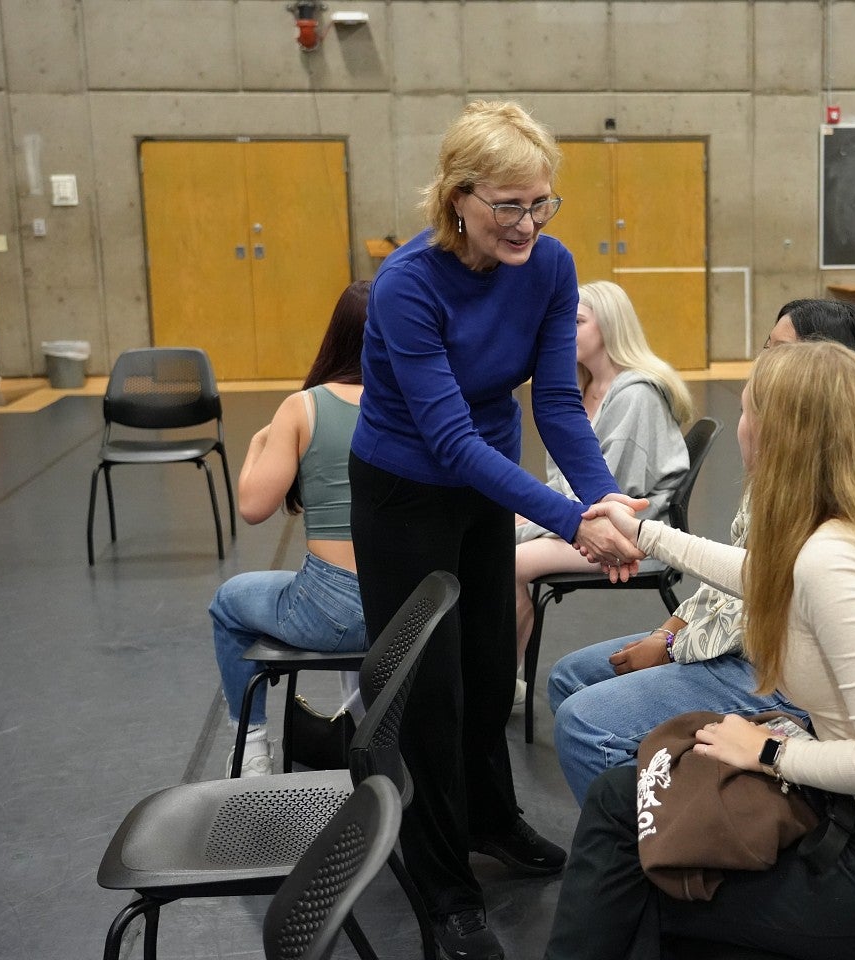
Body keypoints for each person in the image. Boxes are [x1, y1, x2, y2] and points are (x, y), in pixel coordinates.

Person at [546, 340, 855, 960]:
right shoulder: (852, 524)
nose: (740, 425)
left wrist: (769, 751)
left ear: (778, 438)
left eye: (747, 412)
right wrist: (642, 533)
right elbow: (760, 572)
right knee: (622, 798)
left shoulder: (835, 563)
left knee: (644, 878)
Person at [347, 100, 643, 960]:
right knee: (427, 695)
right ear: (458, 197)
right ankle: (442, 881)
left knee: (487, 669)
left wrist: (608, 501)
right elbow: (443, 437)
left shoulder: (550, 266)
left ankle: (491, 818)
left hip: (481, 486)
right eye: (506, 205)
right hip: (404, 492)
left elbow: (554, 401)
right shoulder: (407, 283)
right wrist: (575, 523)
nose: (526, 223)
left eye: (540, 202)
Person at [547, 298, 855, 803]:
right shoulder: (791, 474)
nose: (764, 365)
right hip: (756, 645)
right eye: (767, 348)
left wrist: (675, 648)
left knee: (584, 719)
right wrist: (668, 623)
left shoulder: (835, 532)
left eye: (780, 354)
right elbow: (745, 572)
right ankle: (667, 810)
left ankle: (658, 850)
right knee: (571, 677)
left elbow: (765, 592)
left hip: (775, 669)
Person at [208, 280, 370, 777]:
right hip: (409, 607)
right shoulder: (421, 402)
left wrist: (261, 442)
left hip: (333, 609)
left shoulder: (304, 407)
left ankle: (252, 747)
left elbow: (254, 506)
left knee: (229, 602)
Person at [515, 280, 692, 670]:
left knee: (507, 561)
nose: (564, 331)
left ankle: (497, 683)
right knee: (499, 535)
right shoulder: (584, 386)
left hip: (632, 536)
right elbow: (567, 484)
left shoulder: (635, 395)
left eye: (576, 321)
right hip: (595, 520)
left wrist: (529, 522)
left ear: (610, 326)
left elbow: (612, 500)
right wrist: (531, 513)